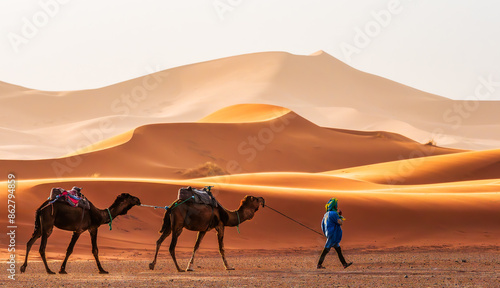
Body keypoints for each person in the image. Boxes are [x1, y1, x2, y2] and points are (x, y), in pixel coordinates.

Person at [317, 198, 353, 269]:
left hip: (330, 234)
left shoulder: (326, 214)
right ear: (334, 206)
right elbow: (340, 222)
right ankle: (319, 265)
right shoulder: (333, 213)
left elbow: (322, 225)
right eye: (336, 206)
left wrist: (326, 234)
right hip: (333, 235)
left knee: (338, 250)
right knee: (326, 249)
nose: (336, 207)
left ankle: (344, 264)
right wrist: (340, 216)